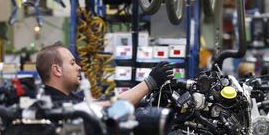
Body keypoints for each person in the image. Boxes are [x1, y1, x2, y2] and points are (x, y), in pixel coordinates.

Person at [35, 42, 173, 106]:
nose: (79, 67)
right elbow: (111, 107)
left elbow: (106, 103)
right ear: (57, 70)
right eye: (72, 63)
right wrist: (150, 82)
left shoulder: (71, 98)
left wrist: (145, 102)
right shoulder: (54, 105)